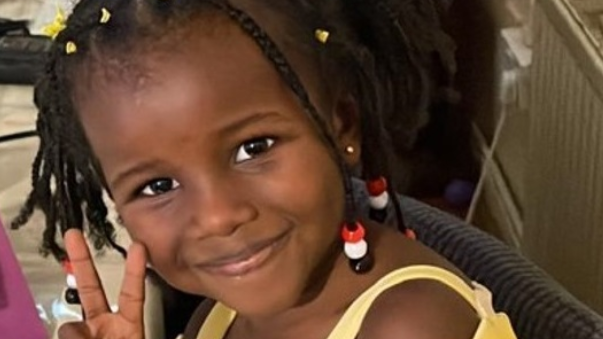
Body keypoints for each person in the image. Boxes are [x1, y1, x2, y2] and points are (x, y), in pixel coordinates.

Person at [11, 0, 517, 338]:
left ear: (342, 126)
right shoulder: (226, 308)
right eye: (157, 185)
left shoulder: (408, 326)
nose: (217, 217)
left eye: (254, 147)